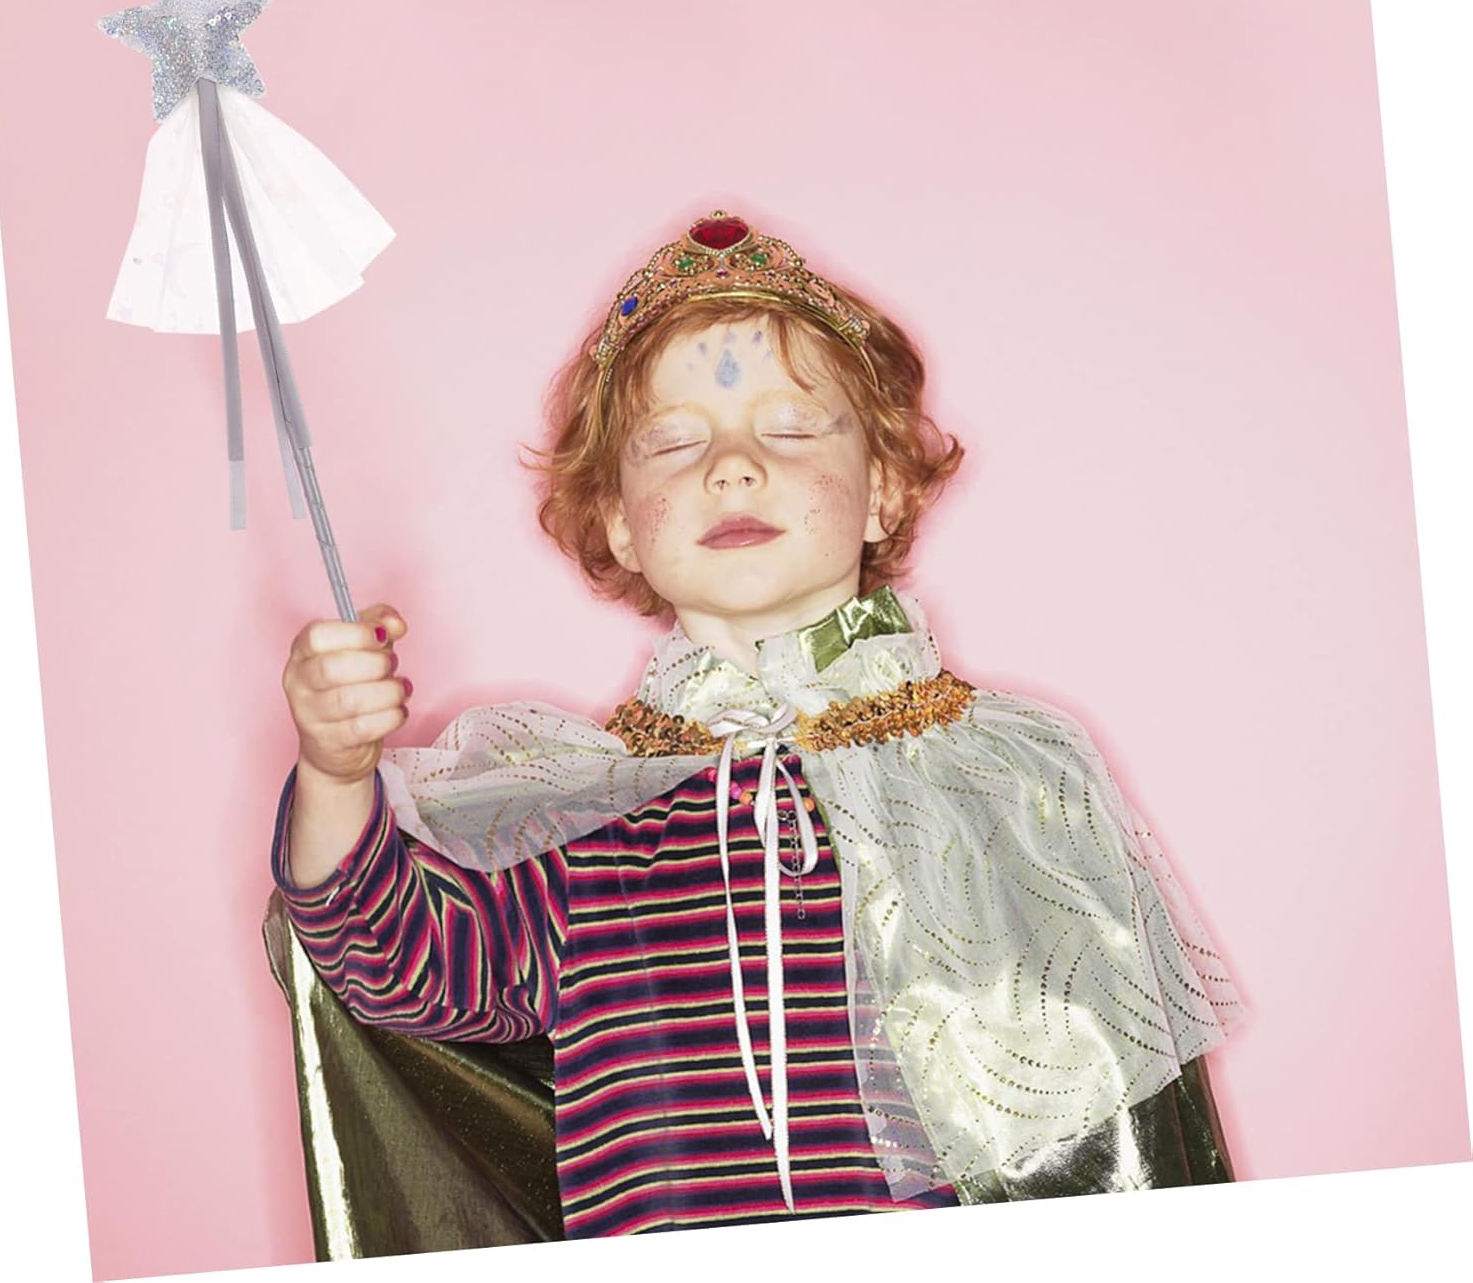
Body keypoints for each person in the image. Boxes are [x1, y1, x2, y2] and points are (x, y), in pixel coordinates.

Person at [270, 210, 1245, 1242]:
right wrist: (335, 770)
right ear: (619, 524)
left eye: (789, 429)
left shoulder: (1006, 782)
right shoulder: (585, 820)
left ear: (881, 492)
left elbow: (1120, 1142)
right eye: (673, 441)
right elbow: (392, 966)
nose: (731, 466)